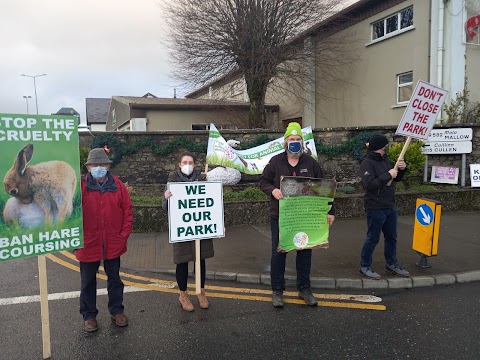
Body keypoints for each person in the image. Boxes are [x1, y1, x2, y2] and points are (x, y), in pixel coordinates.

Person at [260, 122, 335, 308]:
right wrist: (273, 190)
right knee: (279, 253)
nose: (294, 142)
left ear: (303, 142)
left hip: (305, 217)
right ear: (285, 142)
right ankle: (277, 291)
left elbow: (323, 188)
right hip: (281, 217)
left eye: (298, 139)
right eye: (291, 139)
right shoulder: (276, 162)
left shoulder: (311, 163)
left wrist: (330, 211)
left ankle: (304, 289)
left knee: (304, 251)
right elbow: (263, 181)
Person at [76, 148, 133, 332]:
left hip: (113, 243)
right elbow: (70, 212)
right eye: (94, 164)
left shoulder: (118, 185)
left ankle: (117, 310)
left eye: (102, 164)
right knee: (87, 282)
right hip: (88, 243)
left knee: (115, 280)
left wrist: (123, 235)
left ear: (108, 166)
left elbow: (128, 211)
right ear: (88, 167)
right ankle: (89, 315)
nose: (98, 167)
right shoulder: (79, 186)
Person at [163, 151, 214, 312]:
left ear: (195, 164)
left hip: (200, 227)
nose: (187, 165)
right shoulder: (172, 180)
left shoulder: (202, 179)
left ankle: (201, 292)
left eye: (190, 162)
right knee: (182, 262)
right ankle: (183, 295)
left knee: (201, 260)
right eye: (184, 162)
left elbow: (212, 202)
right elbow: (165, 207)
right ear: (179, 165)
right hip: (182, 229)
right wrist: (166, 198)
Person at [358, 134, 410, 280]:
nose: (386, 147)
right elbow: (369, 185)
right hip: (375, 206)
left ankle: (391, 264)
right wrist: (388, 174)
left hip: (389, 205)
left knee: (392, 237)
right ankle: (364, 266)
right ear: (380, 147)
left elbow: (396, 178)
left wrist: (402, 169)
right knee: (372, 238)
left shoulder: (385, 160)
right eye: (385, 145)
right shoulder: (367, 163)